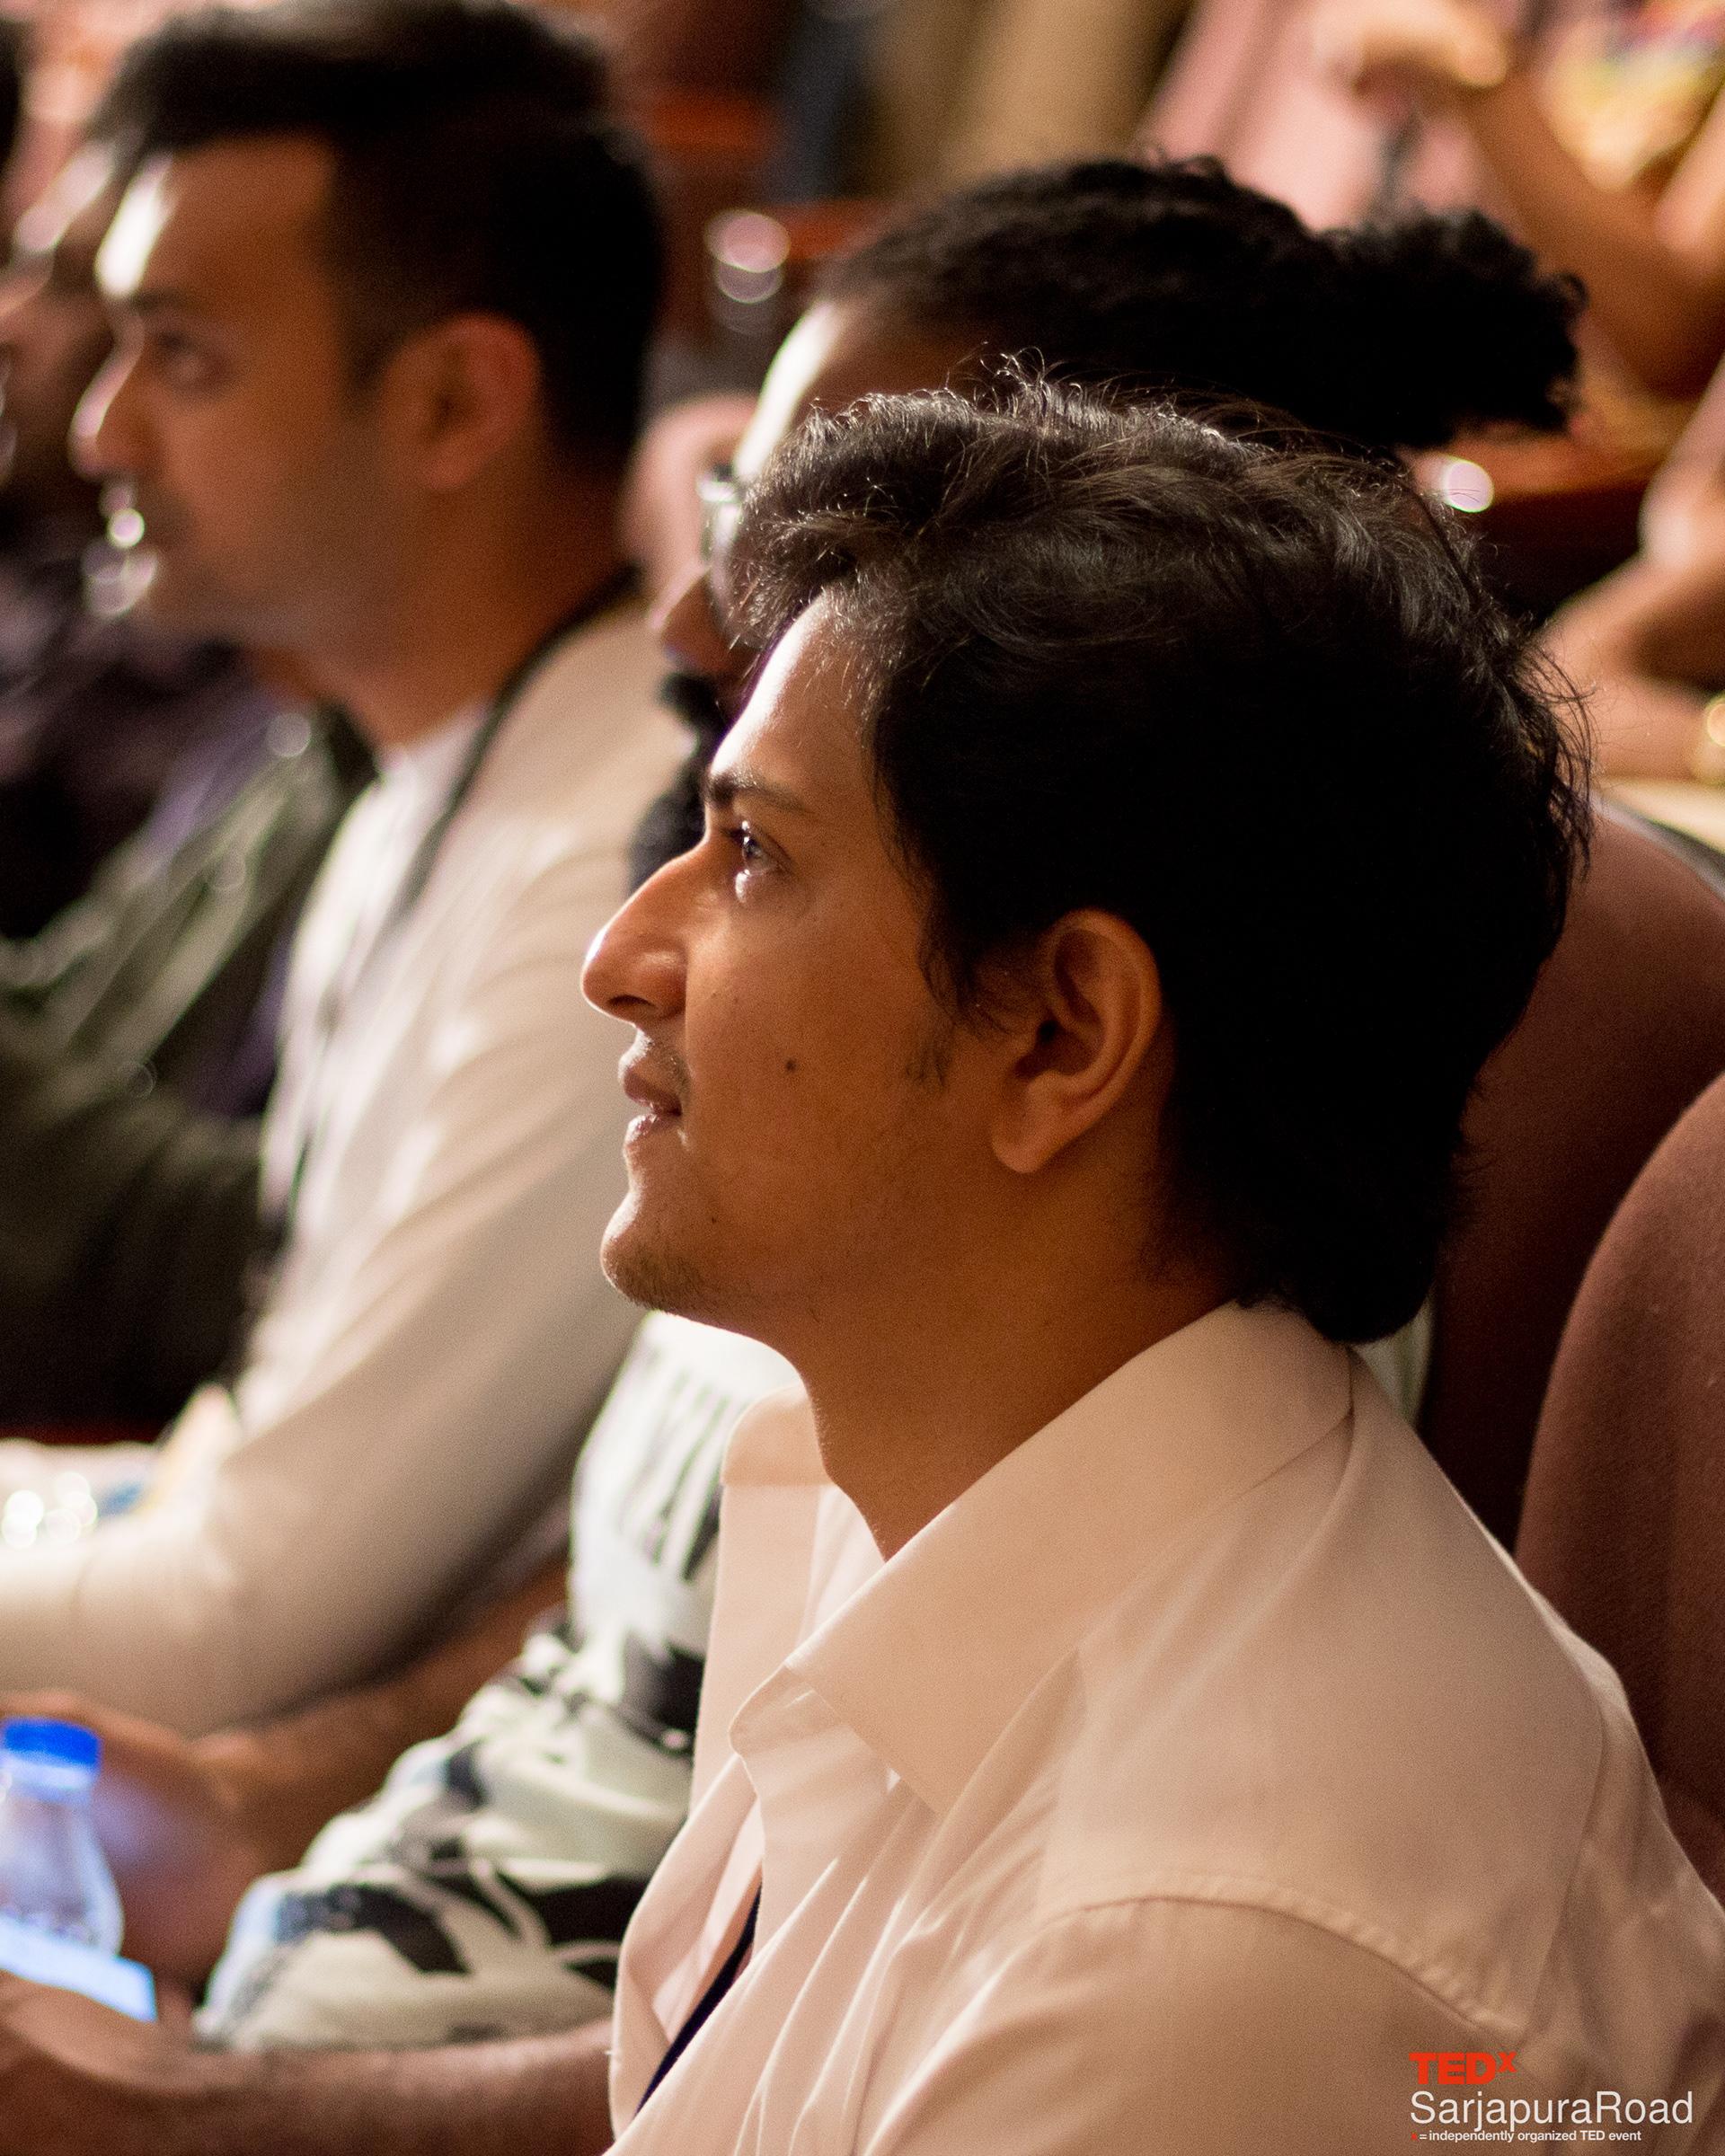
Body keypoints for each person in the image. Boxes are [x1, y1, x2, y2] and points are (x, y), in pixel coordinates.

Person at [0, 154, 1586, 2069]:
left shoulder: (1188, 1953)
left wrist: (176, 2121)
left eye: (753, 855)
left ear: (1062, 1034)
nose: (615, 956)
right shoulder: (886, 1447)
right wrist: (251, 1813)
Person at [0, 0, 686, 1738]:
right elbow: (224, 1469)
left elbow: (240, 1626)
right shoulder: (411, 781)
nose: (104, 431)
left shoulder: (610, 889)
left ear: (455, 400)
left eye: (183, 358)